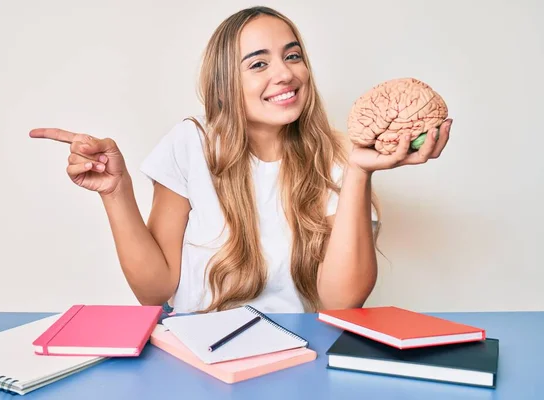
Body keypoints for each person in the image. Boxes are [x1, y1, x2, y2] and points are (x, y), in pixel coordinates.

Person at [29, 6, 452, 314]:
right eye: (258, 64)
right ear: (225, 82)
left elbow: (341, 302)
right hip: (197, 357)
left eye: (292, 56)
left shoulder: (339, 157)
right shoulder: (191, 144)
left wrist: (360, 172)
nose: (284, 74)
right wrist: (116, 192)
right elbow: (155, 291)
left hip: (296, 358)